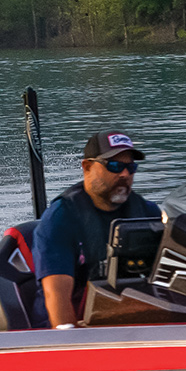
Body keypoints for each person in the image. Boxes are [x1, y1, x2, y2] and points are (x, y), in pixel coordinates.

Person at [33, 131, 159, 327]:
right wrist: (71, 345)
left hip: (129, 320)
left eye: (130, 167)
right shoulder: (60, 218)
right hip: (70, 329)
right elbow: (55, 295)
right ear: (87, 167)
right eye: (115, 166)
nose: (125, 174)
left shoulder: (148, 212)